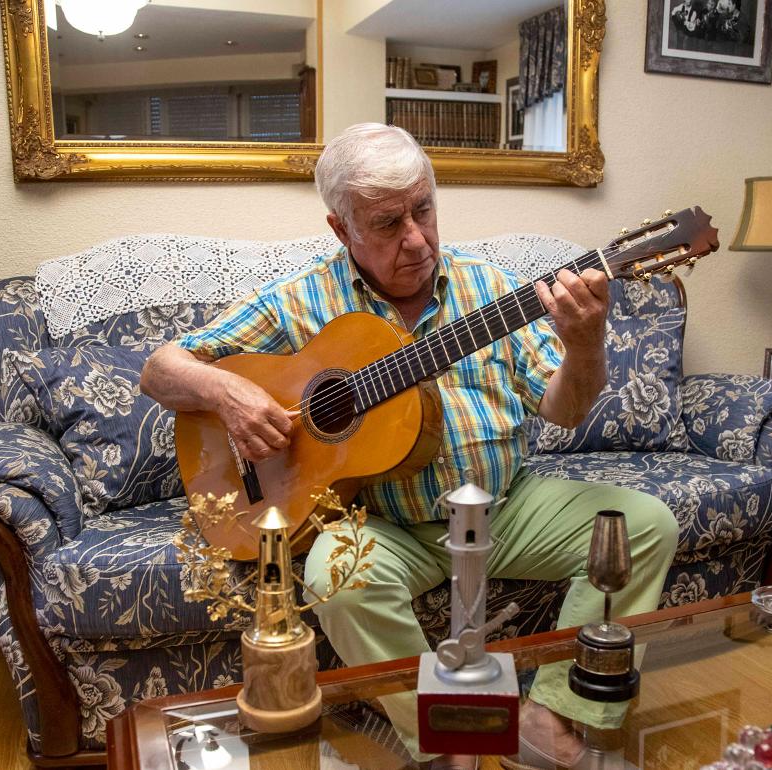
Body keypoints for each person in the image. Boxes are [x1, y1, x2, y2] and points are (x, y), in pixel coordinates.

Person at [142, 123, 678, 770]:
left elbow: (564, 408)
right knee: (334, 579)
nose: (417, 238)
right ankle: (446, 736)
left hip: (505, 505)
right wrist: (227, 393)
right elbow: (161, 370)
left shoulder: (492, 290)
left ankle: (558, 712)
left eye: (423, 210)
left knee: (644, 525)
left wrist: (586, 343)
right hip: (385, 523)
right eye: (388, 223)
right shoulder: (299, 298)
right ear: (342, 231)